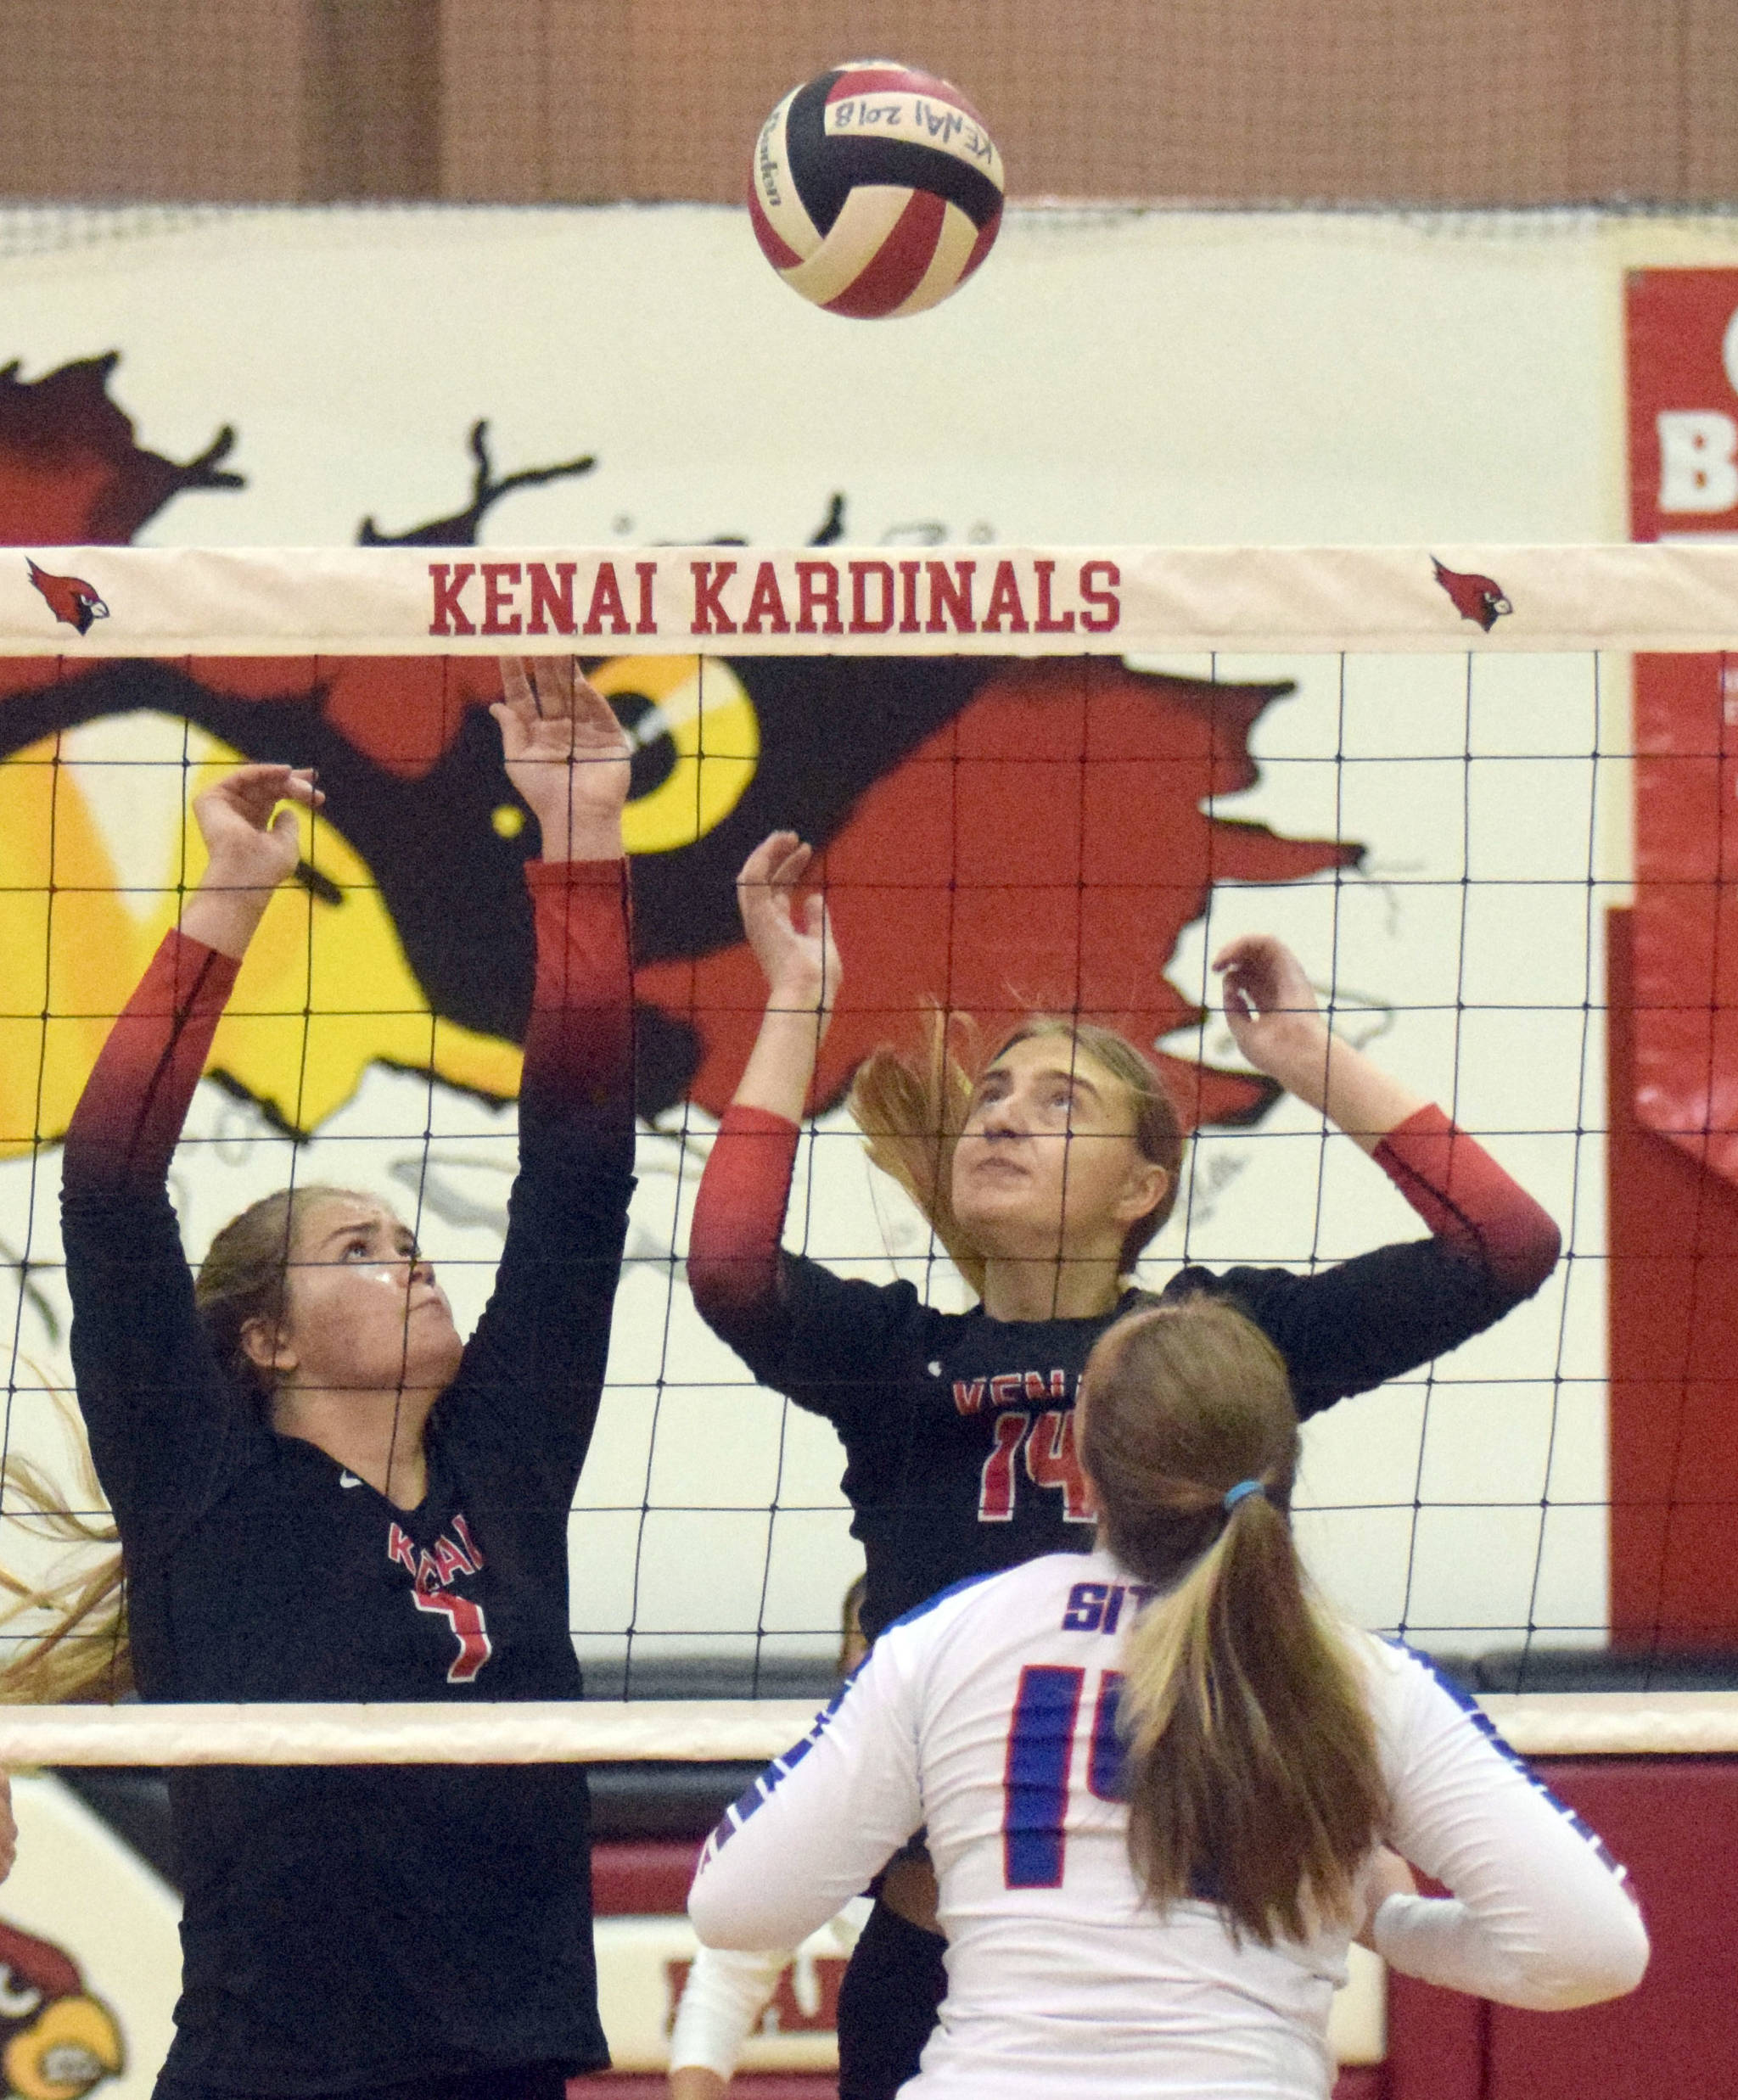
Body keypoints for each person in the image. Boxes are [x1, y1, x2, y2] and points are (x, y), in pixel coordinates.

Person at [684, 829, 1563, 2100]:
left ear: (1142, 1183)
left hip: (1187, 1957)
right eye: (994, 1092)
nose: (1003, 1113)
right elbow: (728, 1269)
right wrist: (795, 1002)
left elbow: (1507, 1245)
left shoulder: (1219, 1343)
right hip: (942, 1955)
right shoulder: (900, 1362)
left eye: (1061, 1102)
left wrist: (1308, 1057)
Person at [55, 658, 635, 2100]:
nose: (413, 1264)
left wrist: (580, 838)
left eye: (411, 1242)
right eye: (358, 1253)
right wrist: (229, 902)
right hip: (280, 2071)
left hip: (504, 2064)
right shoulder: (207, 1484)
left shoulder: (500, 1462)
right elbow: (111, 1193)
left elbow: (578, 1177)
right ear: (265, 1339)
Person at [689, 1298, 1647, 2098]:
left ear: (1080, 1461)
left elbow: (735, 1907)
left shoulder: (951, 1638)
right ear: (1279, 1460)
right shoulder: (1361, 1678)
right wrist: (1385, 1921)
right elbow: (1592, 1950)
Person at [666, 1577, 869, 2100]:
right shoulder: (825, 1789)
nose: (886, 1657)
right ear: (842, 1663)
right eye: (867, 1640)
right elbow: (727, 1977)